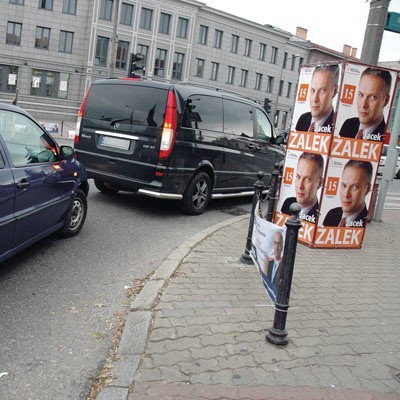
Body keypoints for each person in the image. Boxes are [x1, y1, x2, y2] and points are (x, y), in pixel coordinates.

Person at [339, 68, 392, 142]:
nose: (364, 104)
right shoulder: (348, 125)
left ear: (386, 101)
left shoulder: (387, 138)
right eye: (361, 95)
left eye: (373, 97)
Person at [323, 160, 373, 228]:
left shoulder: (366, 222)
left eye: (355, 187)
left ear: (367, 189)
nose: (346, 195)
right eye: (344, 185)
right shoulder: (332, 214)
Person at [281, 152, 324, 223]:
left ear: (319, 183)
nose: (300, 186)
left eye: (308, 179)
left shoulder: (321, 217)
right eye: (298, 177)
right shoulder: (288, 203)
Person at [295, 64, 339, 133]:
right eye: (313, 90)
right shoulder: (303, 120)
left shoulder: (337, 127)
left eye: (322, 90)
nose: (315, 99)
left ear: (334, 91)